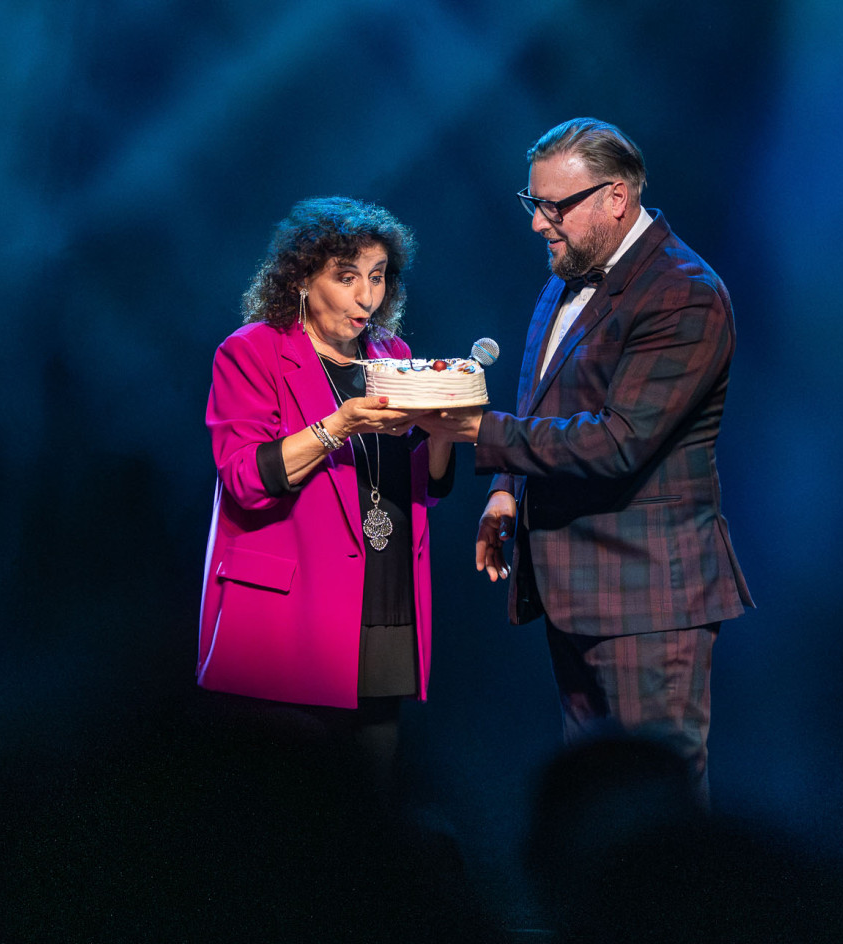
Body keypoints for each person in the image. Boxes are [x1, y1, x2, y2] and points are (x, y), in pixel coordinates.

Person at [418, 119, 752, 799]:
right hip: (575, 588)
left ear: (617, 199)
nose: (540, 224)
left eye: (555, 206)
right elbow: (543, 401)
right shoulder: (564, 278)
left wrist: (471, 428)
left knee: (657, 809)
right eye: (532, 203)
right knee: (598, 804)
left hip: (648, 595)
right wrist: (506, 491)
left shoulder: (684, 291)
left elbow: (619, 439)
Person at [198, 197, 453, 779]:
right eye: (347, 278)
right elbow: (244, 478)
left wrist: (443, 432)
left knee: (367, 818)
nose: (368, 298)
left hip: (384, 605)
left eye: (378, 277)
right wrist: (341, 424)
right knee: (281, 820)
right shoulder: (252, 350)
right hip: (289, 615)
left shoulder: (394, 356)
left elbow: (423, 490)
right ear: (302, 280)